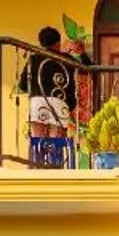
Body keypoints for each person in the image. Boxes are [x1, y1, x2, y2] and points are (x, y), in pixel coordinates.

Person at [19, 26, 73, 167]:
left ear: (41, 43)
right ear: (58, 43)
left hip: (37, 104)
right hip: (59, 104)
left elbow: (23, 85)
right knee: (56, 142)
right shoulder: (66, 59)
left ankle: (38, 169)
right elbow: (86, 68)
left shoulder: (34, 59)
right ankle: (55, 169)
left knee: (38, 141)